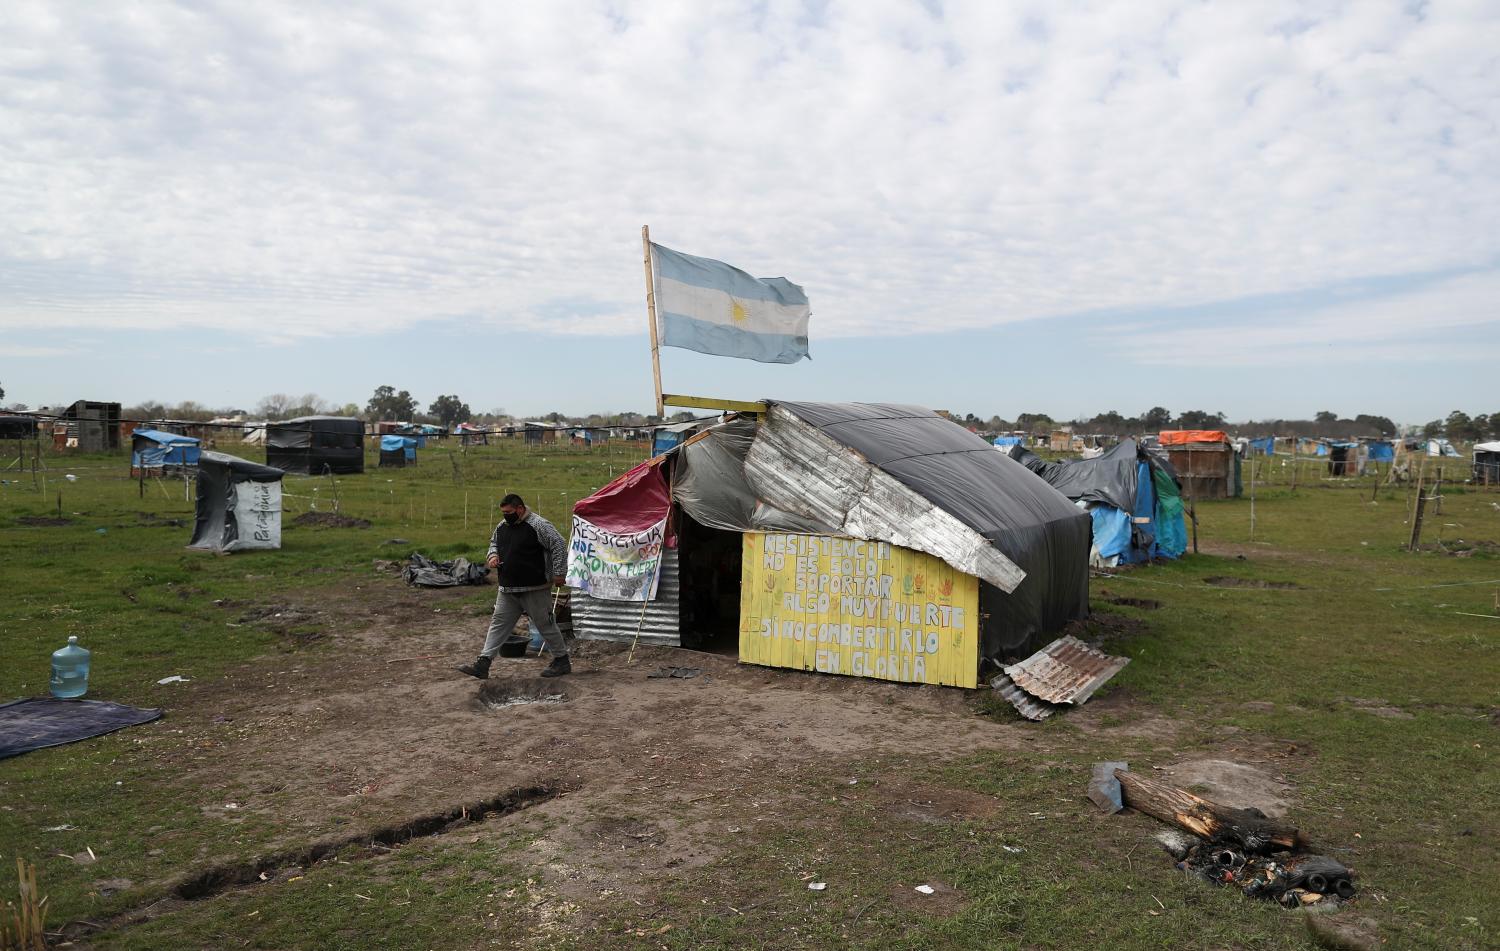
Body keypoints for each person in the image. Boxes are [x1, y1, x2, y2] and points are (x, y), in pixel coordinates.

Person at [458, 493, 572, 679]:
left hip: (534, 587)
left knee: (545, 625)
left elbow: (558, 544)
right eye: (503, 512)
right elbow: (494, 543)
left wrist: (559, 572)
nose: (505, 515)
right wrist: (492, 556)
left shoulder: (538, 525)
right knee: (498, 625)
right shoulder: (502, 526)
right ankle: (483, 663)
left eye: (509, 512)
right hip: (508, 589)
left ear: (520, 508)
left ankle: (561, 660)